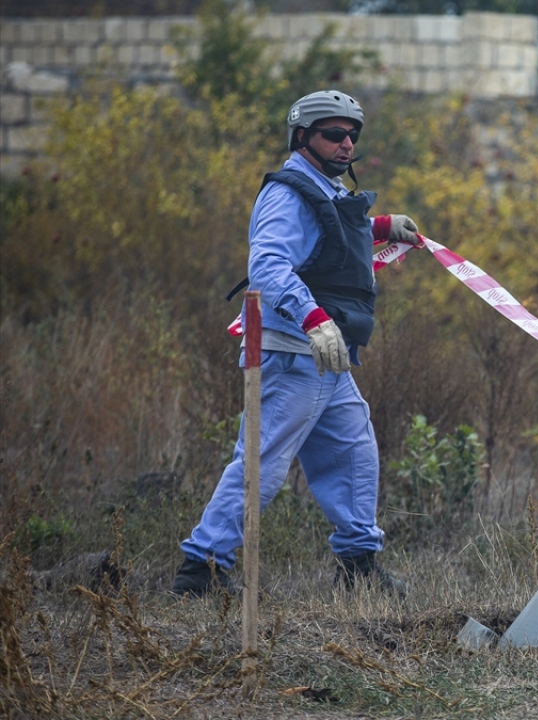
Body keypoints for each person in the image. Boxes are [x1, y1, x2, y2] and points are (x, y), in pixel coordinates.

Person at [172, 90, 423, 598]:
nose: (346, 143)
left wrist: (380, 226)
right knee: (260, 463)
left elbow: (327, 235)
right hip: (292, 353)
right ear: (303, 136)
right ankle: (202, 571)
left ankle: (358, 566)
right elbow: (266, 266)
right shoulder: (288, 191)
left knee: (355, 453)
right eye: (333, 134)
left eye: (352, 134)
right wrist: (312, 318)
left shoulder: (323, 187)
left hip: (327, 356)